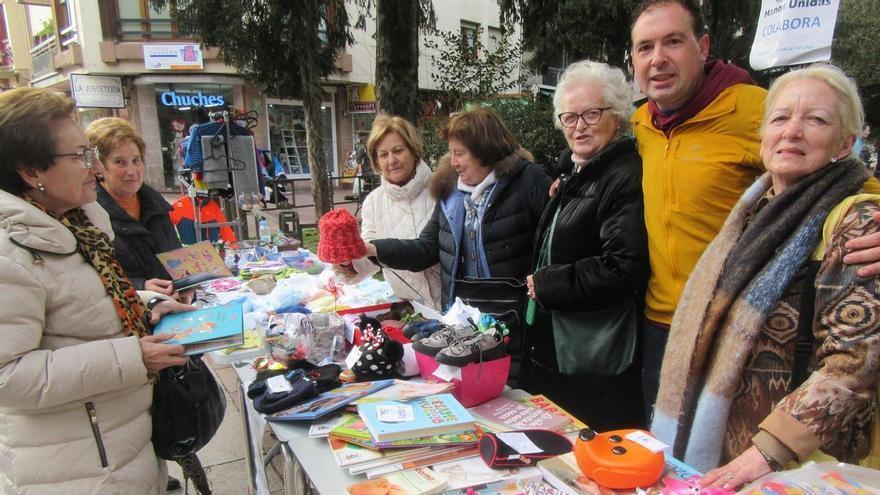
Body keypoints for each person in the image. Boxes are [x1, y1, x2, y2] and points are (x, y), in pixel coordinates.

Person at [629, 0, 880, 418]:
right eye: (644, 47)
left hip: (738, 327)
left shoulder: (753, 108)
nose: (658, 59)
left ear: (703, 46)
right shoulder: (641, 123)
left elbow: (844, 170)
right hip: (661, 323)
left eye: (673, 41)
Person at [651, 64, 880, 490]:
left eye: (816, 119)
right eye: (780, 117)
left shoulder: (859, 221)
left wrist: (765, 454)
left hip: (794, 466)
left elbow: (855, 364)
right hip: (730, 453)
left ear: (846, 142)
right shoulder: (752, 216)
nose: (792, 131)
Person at [0, 88, 192, 493]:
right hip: (76, 469)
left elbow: (82, 309)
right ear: (30, 170)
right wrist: (132, 356)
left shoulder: (77, 226)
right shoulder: (11, 252)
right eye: (79, 156)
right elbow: (8, 375)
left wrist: (147, 303)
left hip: (120, 445)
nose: (94, 168)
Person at [357, 108, 551, 377]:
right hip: (464, 320)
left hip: (517, 322)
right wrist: (371, 248)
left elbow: (552, 250)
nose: (453, 162)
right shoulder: (451, 193)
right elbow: (425, 249)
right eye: (451, 153)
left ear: (485, 150)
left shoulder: (529, 182)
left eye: (460, 154)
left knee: (513, 393)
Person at [522, 60, 649, 430]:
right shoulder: (576, 171)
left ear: (617, 115)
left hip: (591, 357)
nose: (579, 126)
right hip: (559, 345)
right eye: (569, 117)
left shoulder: (624, 175)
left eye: (592, 114)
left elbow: (623, 267)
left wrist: (548, 284)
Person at [340, 115, 442, 309]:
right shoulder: (374, 202)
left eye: (398, 151)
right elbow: (369, 259)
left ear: (413, 151)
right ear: (377, 162)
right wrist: (346, 261)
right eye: (383, 155)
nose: (392, 160)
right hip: (410, 309)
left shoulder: (441, 190)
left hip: (452, 305)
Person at [86, 117, 184, 299]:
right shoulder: (90, 216)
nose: (132, 171)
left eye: (136, 160)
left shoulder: (157, 206)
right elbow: (91, 280)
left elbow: (176, 260)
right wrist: (142, 287)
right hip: (134, 319)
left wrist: (186, 282)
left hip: (173, 311)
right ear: (99, 167)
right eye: (120, 162)